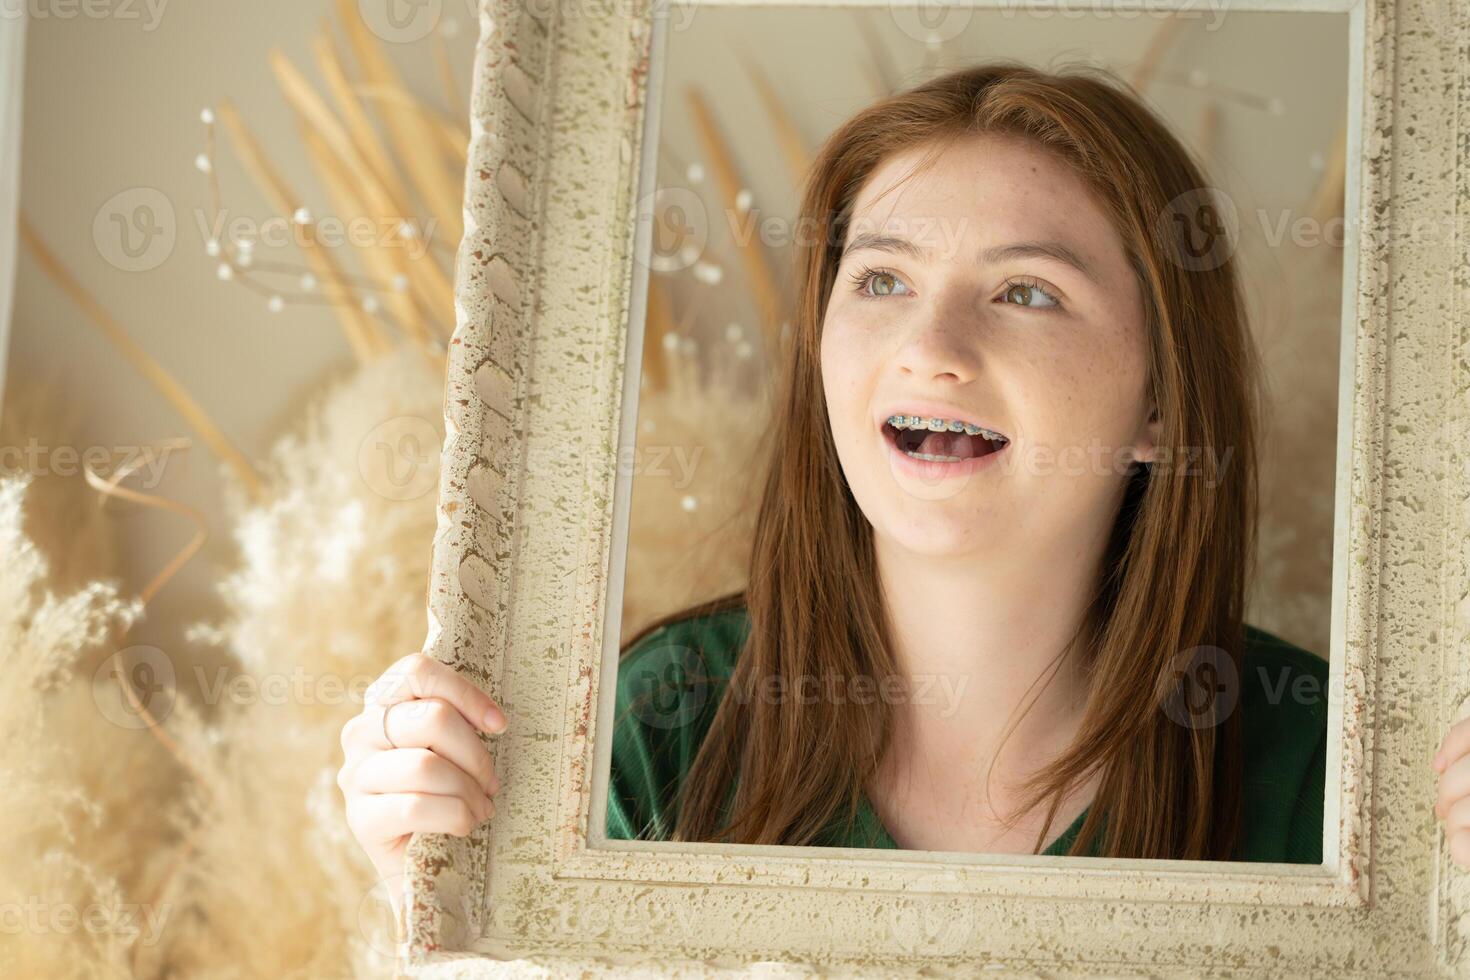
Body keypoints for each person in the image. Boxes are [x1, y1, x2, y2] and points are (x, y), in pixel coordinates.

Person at [337, 62, 1470, 915]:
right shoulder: (663, 723)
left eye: (1026, 291)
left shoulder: (1335, 770)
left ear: (1162, 408)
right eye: (881, 278)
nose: (931, 346)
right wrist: (442, 891)